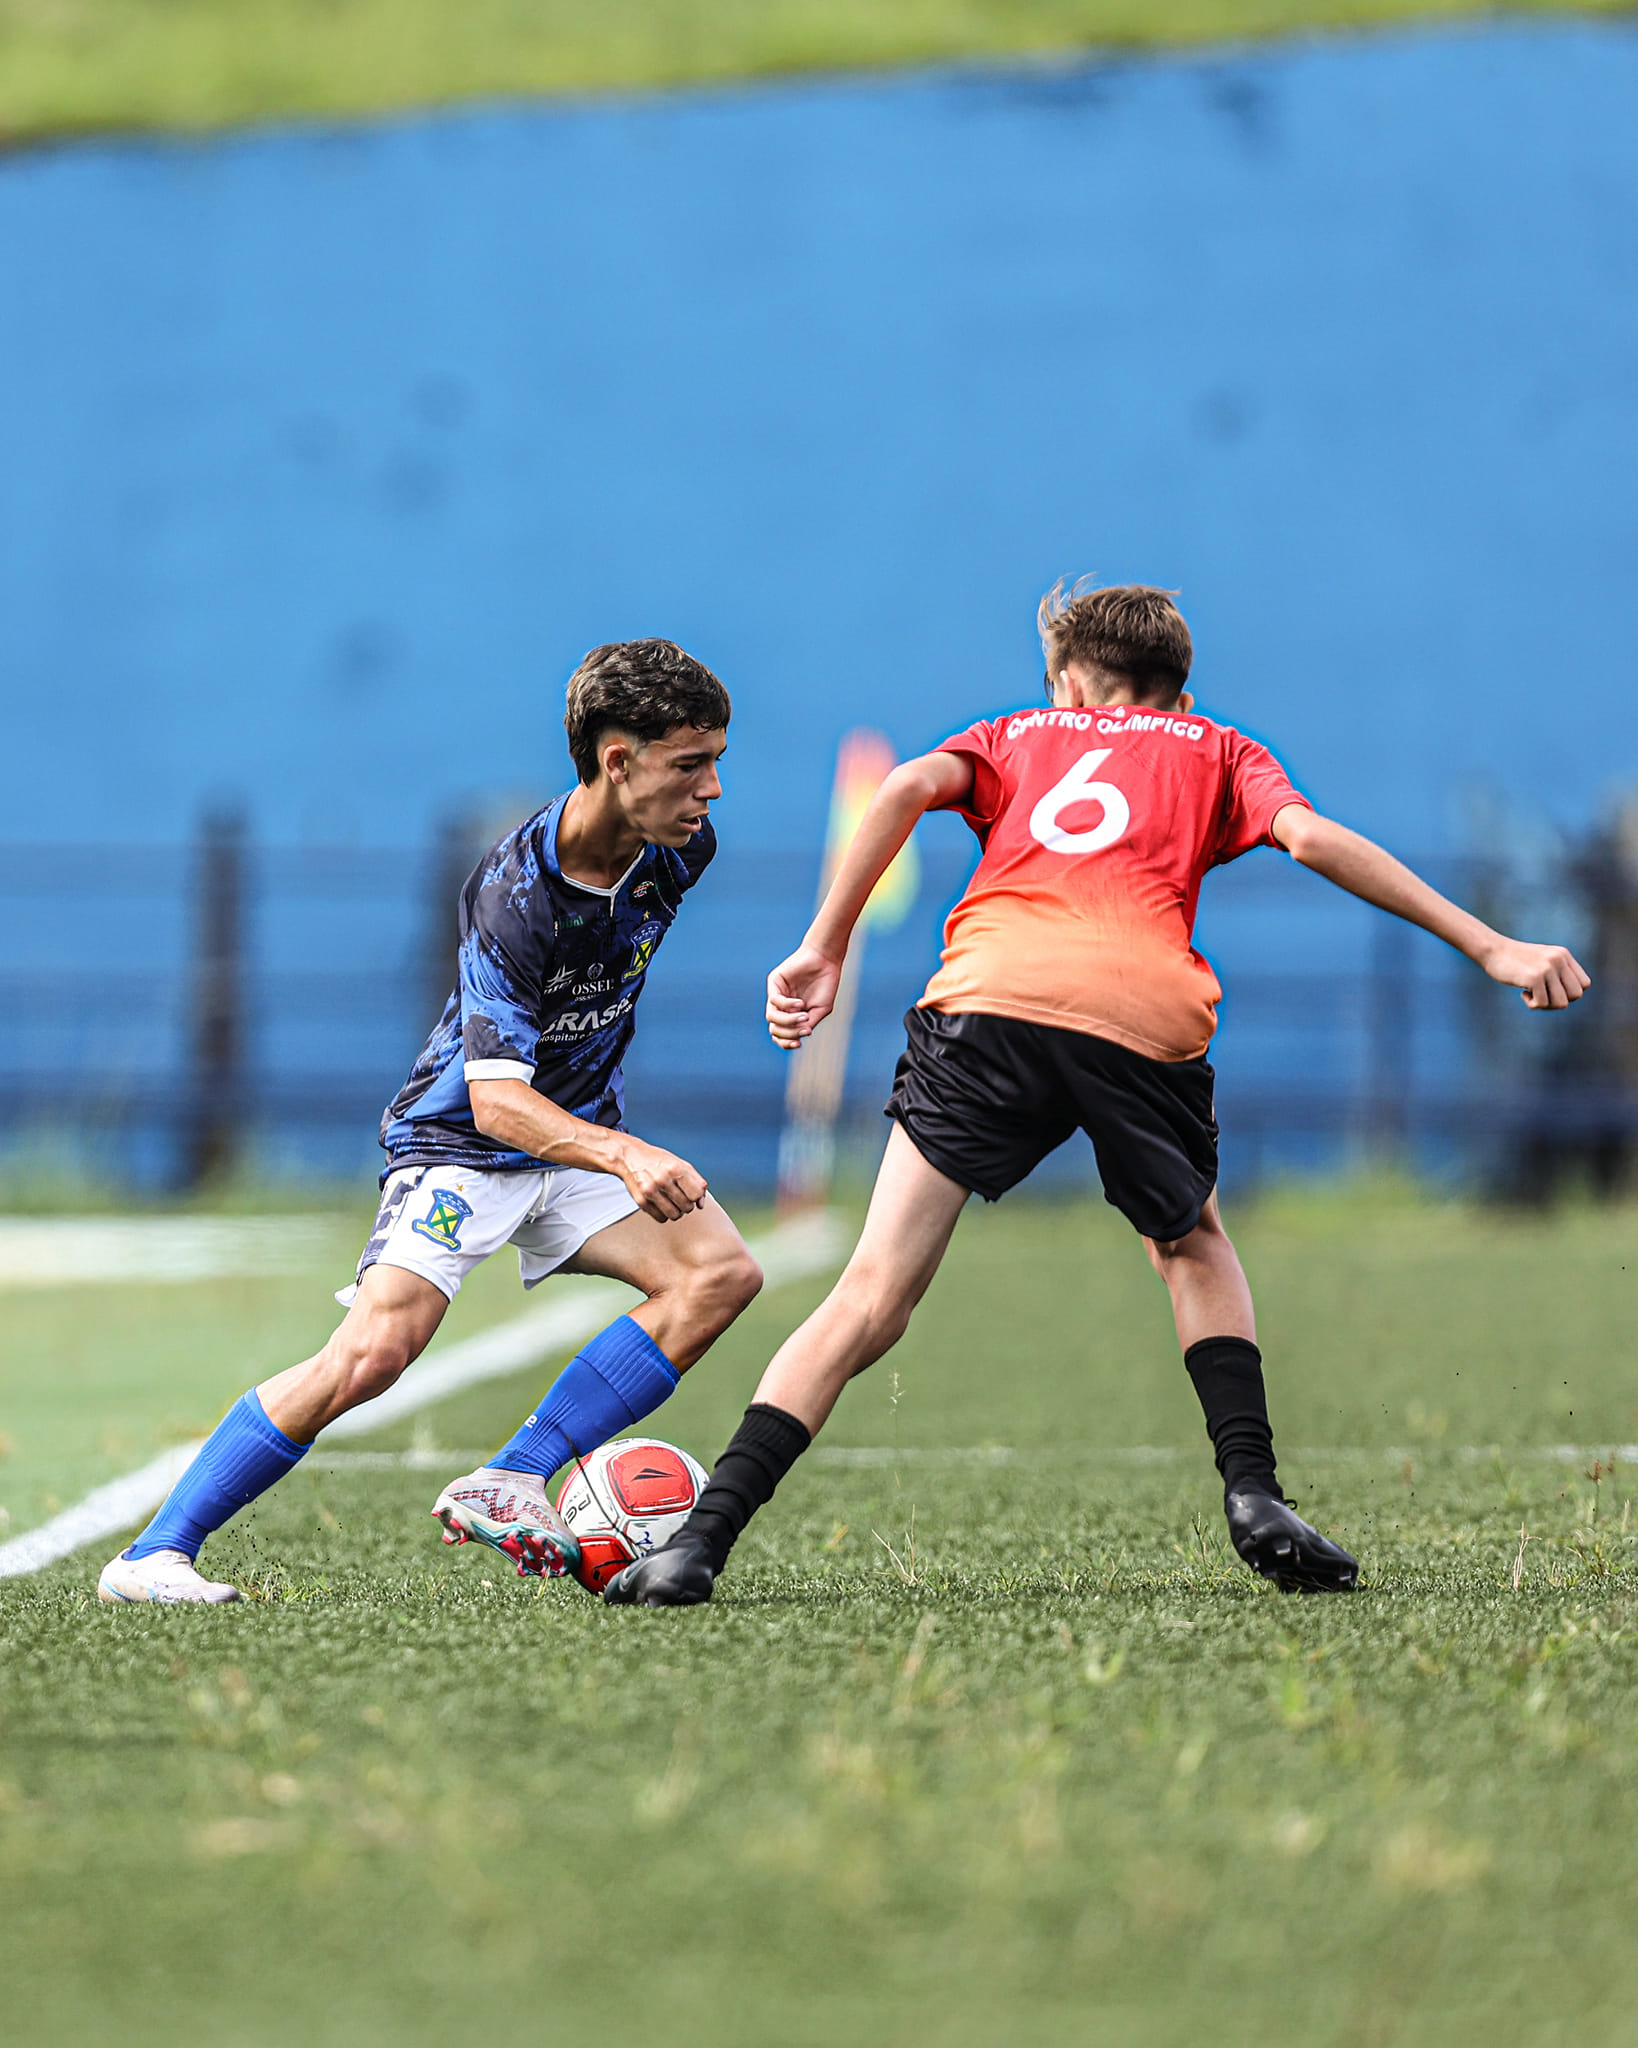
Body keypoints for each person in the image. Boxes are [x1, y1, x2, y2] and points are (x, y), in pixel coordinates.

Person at [607, 581, 1591, 1606]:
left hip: (987, 995)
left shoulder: (1013, 732)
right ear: (1177, 685)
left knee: (871, 1292)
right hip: (1141, 1007)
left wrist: (823, 946)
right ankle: (1252, 1491)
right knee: (1192, 1244)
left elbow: (899, 786)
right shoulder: (1220, 747)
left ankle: (701, 1539)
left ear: (1071, 680)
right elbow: (1312, 839)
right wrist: (1492, 941)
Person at [99, 639, 761, 1604]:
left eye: (717, 764)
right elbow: (495, 1101)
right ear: (618, 761)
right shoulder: (514, 892)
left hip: (570, 1136)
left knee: (719, 1274)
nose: (710, 792)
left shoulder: (679, 852)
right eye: (690, 765)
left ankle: (511, 1475)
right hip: (463, 1145)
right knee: (373, 1355)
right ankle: (153, 1554)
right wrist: (622, 1151)